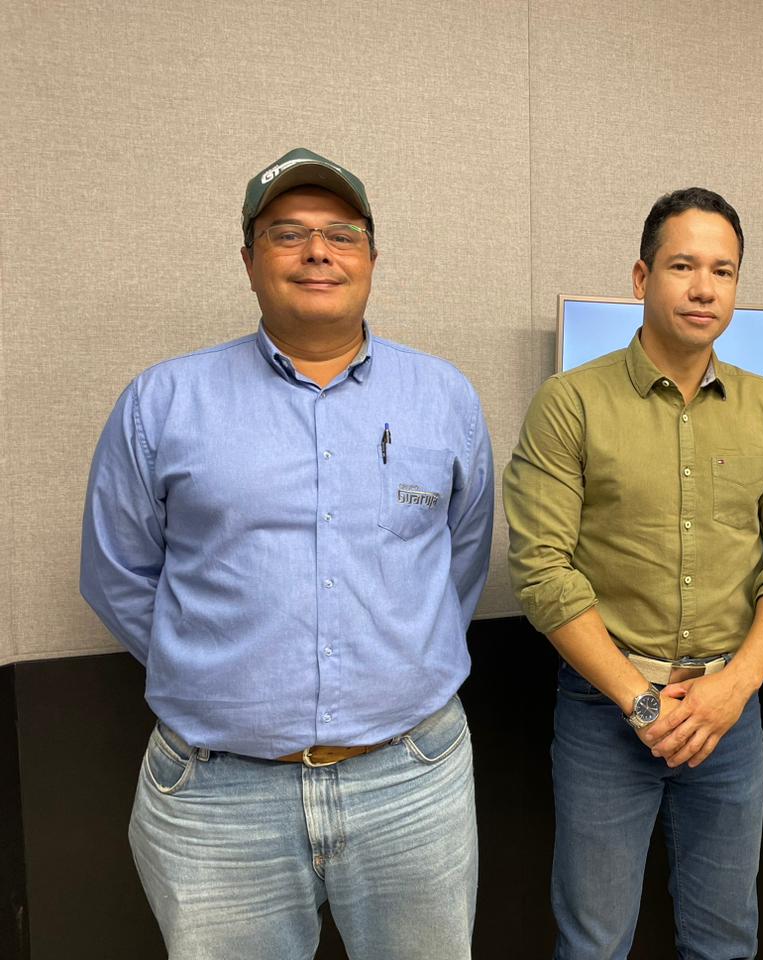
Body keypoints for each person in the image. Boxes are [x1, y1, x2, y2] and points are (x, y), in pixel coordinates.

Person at [80, 147, 494, 960]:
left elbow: (462, 557)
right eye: (288, 234)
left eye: (342, 233)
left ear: (373, 256)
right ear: (248, 258)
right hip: (217, 797)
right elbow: (117, 574)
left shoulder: (444, 397)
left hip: (411, 780)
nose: (318, 252)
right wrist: (218, 672)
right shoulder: (162, 402)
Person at [504, 187, 763, 960]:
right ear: (642, 278)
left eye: (723, 270)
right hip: (605, 712)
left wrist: (733, 688)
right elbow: (542, 568)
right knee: (594, 940)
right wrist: (640, 703)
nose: (704, 287)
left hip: (728, 713)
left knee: (724, 939)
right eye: (683, 265)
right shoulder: (571, 403)